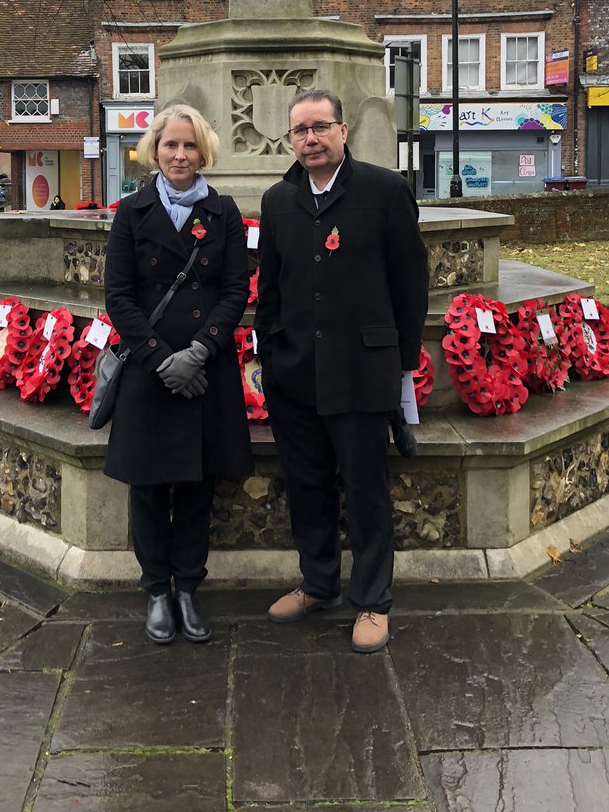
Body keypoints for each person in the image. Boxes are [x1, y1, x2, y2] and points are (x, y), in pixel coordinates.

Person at [255, 88, 428, 654]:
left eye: (320, 127)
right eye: (300, 131)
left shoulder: (385, 191)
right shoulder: (279, 200)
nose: (310, 139)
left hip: (362, 371)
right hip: (296, 373)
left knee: (365, 489)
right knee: (307, 486)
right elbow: (272, 289)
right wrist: (271, 353)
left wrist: (400, 365)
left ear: (343, 130)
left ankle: (373, 601)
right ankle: (318, 582)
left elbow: (410, 286)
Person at [103, 104, 252, 645]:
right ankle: (156, 592)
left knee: (196, 486)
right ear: (154, 149)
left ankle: (188, 587)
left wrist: (200, 350)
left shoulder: (223, 211)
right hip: (151, 371)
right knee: (149, 488)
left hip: (203, 370)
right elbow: (119, 296)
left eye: (190, 146)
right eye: (171, 145)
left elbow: (234, 289)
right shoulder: (130, 212)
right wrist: (162, 358)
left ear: (203, 150)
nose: (180, 155)